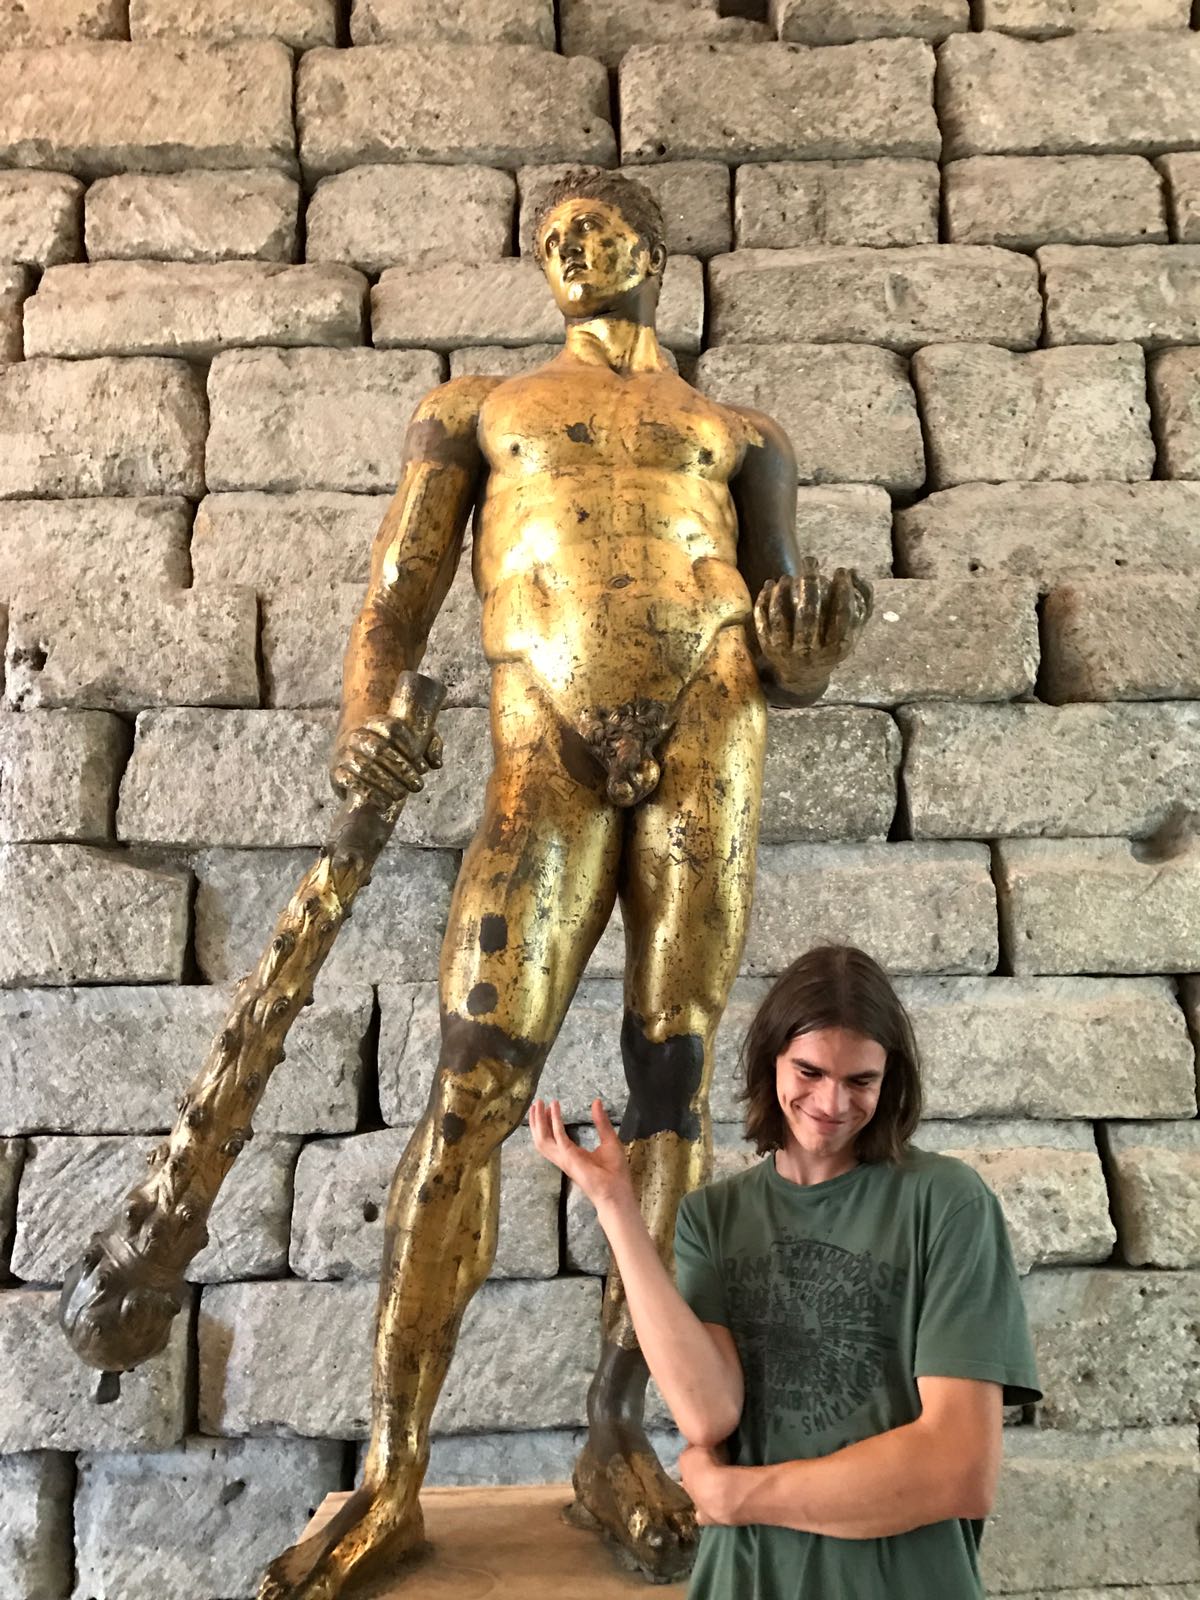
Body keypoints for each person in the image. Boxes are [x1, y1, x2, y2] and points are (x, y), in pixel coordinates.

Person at [531, 943, 1042, 1598]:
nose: (832, 1102)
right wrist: (615, 1207)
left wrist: (737, 1496)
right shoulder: (712, 1217)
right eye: (809, 1071)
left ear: (890, 1080)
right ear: (770, 1059)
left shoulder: (948, 1203)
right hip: (745, 1580)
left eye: (860, 1081)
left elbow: (958, 1470)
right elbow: (708, 1415)